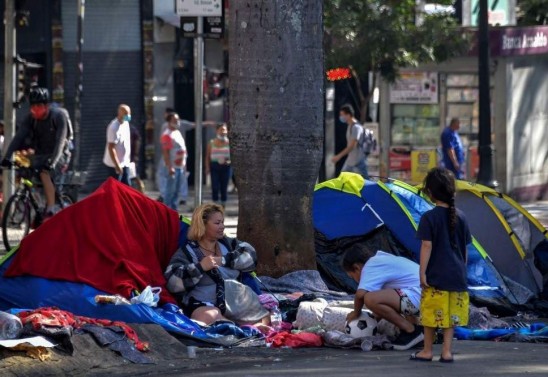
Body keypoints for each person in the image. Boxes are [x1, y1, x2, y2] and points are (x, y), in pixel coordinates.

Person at [164, 203, 270, 326]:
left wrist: (223, 260)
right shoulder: (188, 252)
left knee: (268, 318)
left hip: (239, 303)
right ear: (202, 225)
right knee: (207, 317)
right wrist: (200, 267)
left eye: (223, 222)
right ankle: (238, 327)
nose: (222, 227)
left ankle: (242, 326)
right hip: (207, 306)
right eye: (217, 223)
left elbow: (251, 256)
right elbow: (172, 282)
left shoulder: (228, 244)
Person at [411, 167, 471, 362]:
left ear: (430, 192)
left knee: (431, 314)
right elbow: (465, 250)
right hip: (457, 275)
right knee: (450, 317)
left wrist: (422, 273)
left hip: (436, 275)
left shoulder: (429, 217)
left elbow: (426, 246)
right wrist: (462, 269)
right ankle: (446, 352)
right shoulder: (461, 216)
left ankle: (427, 350)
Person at [1, 87, 70, 218]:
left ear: (47, 106)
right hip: (41, 154)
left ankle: (51, 208)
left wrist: (53, 162)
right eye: (32, 106)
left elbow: (60, 142)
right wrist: (7, 157)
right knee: (24, 168)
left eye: (39, 106)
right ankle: (35, 202)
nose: (35, 110)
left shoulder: (58, 116)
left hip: (60, 154)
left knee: (45, 173)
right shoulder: (30, 118)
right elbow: (19, 138)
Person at [343, 247, 424, 351]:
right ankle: (417, 335)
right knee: (381, 297)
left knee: (370, 298)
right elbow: (386, 307)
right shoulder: (381, 261)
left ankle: (411, 331)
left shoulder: (370, 266)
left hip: (419, 296)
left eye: (352, 276)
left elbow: (360, 295)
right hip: (427, 296)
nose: (355, 281)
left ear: (357, 268)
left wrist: (356, 313)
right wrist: (371, 320)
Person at [331, 104, 368, 178]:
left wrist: (338, 156)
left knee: (365, 184)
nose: (341, 117)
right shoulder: (350, 126)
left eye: (342, 115)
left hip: (358, 162)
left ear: (348, 115)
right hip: (351, 161)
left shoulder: (356, 127)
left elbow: (352, 146)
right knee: (343, 180)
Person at [159, 112, 187, 210]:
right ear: (169, 122)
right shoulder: (167, 135)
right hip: (172, 167)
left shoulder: (177, 132)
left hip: (179, 167)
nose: (177, 122)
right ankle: (166, 210)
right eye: (175, 120)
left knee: (176, 191)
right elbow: (166, 152)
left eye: (178, 120)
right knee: (170, 191)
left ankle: (173, 212)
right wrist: (169, 166)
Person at [103, 104, 132, 185]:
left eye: (129, 113)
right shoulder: (113, 127)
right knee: (115, 187)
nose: (128, 116)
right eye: (126, 114)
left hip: (125, 162)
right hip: (114, 165)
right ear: (120, 114)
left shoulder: (126, 123)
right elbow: (111, 148)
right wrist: (117, 165)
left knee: (126, 187)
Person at [206, 123, 231, 207]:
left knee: (224, 187)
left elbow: (233, 157)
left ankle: (223, 205)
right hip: (214, 167)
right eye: (221, 129)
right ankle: (215, 204)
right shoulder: (211, 143)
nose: (223, 132)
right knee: (215, 186)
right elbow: (207, 156)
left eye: (224, 130)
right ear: (217, 131)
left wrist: (229, 162)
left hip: (226, 167)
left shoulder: (230, 143)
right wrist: (207, 168)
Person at [129, 123, 145, 193]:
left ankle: (141, 192)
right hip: (126, 158)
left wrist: (135, 154)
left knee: (135, 175)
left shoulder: (131, 129)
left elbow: (137, 140)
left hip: (131, 158)